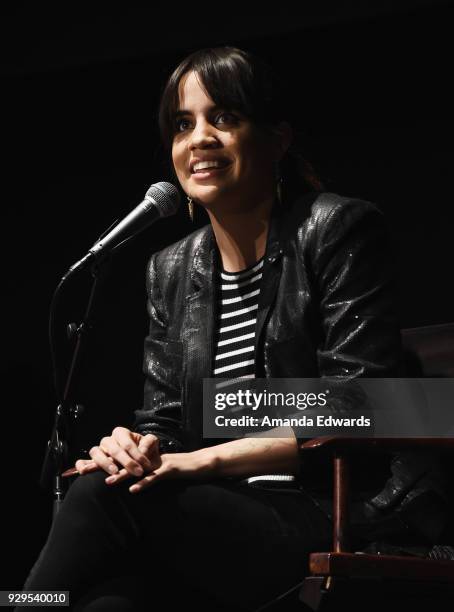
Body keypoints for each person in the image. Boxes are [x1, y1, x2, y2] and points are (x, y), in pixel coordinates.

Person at [20, 46, 448, 611]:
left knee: (102, 495)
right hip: (219, 521)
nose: (199, 138)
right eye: (182, 123)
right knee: (110, 601)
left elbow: (360, 406)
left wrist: (205, 459)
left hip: (333, 511)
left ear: (278, 139)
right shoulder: (170, 268)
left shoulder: (337, 229)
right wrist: (135, 446)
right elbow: (168, 419)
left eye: (224, 117)